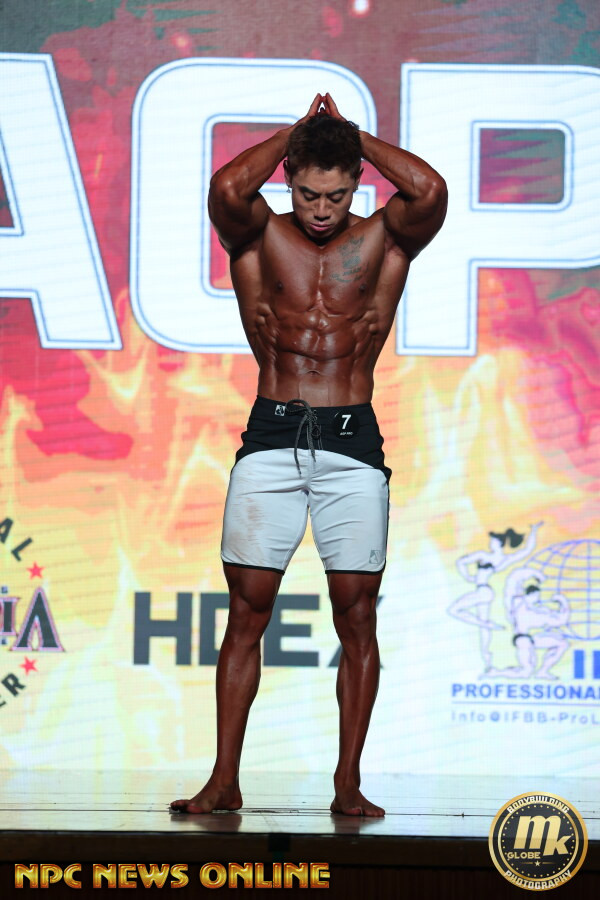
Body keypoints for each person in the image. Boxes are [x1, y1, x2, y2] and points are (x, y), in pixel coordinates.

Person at [170, 93, 447, 817]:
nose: (321, 210)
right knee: (247, 611)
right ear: (288, 179)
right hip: (272, 433)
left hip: (352, 439)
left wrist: (353, 135)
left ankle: (347, 782)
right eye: (307, 193)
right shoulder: (257, 234)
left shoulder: (385, 240)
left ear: (357, 184)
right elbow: (227, 187)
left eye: (336, 194)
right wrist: (296, 134)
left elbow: (430, 190)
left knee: (356, 615)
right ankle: (224, 779)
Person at [448, 523, 542, 672]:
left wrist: (469, 577)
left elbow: (526, 551)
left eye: (492, 541)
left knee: (453, 610)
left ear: (498, 543)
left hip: (483, 591)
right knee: (483, 629)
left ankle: (489, 626)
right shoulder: (498, 558)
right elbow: (460, 562)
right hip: (485, 592)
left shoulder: (486, 556)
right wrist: (468, 577)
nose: (490, 543)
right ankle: (487, 661)